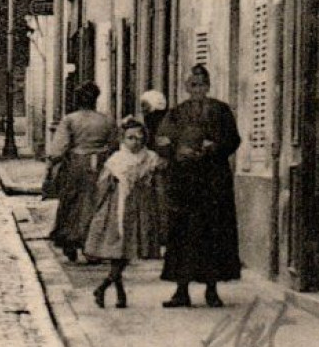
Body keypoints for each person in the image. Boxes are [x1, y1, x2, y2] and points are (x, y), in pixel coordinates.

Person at [156, 64, 242, 308]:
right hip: (184, 183)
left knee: (213, 235)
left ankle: (212, 291)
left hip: (213, 183)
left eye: (201, 85)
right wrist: (176, 150)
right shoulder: (176, 113)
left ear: (208, 86)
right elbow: (162, 139)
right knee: (182, 235)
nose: (197, 90)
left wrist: (213, 147)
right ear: (186, 87)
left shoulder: (221, 111)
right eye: (192, 85)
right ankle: (181, 291)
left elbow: (233, 139)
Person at [86, 118, 163, 308]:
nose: (135, 142)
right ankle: (110, 289)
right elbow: (102, 185)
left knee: (126, 251)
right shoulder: (116, 160)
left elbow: (156, 183)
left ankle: (111, 290)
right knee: (119, 251)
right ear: (123, 139)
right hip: (118, 206)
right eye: (130, 138)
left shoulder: (150, 158)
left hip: (141, 207)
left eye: (139, 138)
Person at [46, 81, 114, 263]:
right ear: (95, 100)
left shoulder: (70, 119)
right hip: (101, 164)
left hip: (77, 164)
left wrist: (52, 164)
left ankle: (71, 240)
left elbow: (58, 149)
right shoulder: (106, 120)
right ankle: (93, 245)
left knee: (73, 202)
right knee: (98, 203)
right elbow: (114, 144)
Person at [137, 90, 170, 258]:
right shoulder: (154, 122)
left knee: (158, 206)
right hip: (156, 168)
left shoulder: (157, 123)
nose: (142, 110)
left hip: (160, 169)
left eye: (145, 106)